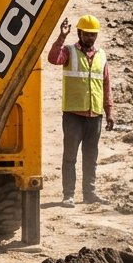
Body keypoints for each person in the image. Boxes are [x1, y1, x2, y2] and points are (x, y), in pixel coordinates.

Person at [48, 14, 114, 206]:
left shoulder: (101, 55)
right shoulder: (69, 52)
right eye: (87, 34)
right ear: (79, 34)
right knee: (70, 157)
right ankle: (68, 195)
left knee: (91, 157)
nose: (90, 37)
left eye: (93, 34)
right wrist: (62, 36)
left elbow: (106, 85)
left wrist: (109, 112)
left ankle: (89, 194)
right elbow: (53, 58)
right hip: (73, 115)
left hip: (95, 115)